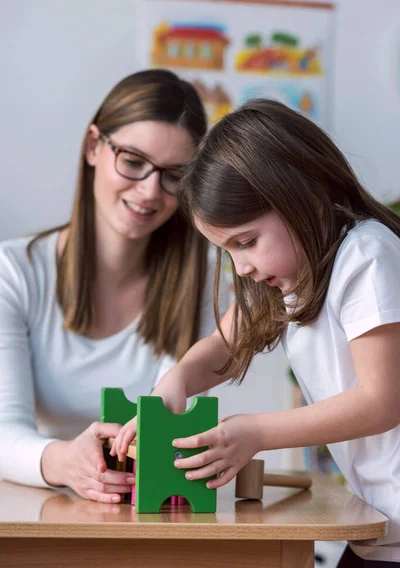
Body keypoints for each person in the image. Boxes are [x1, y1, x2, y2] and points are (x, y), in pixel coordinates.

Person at [112, 99, 400, 566]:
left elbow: (380, 400)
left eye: (246, 242)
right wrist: (178, 380)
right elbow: (223, 347)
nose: (241, 266)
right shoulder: (291, 276)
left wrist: (254, 433)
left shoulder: (366, 257)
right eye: (227, 252)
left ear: (302, 198)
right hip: (378, 525)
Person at [0, 69, 230, 504]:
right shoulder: (13, 271)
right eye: (132, 161)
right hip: (46, 513)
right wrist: (64, 461)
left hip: (156, 518)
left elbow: (175, 427)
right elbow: (2, 432)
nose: (148, 191)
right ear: (93, 147)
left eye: (173, 176)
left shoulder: (206, 279)